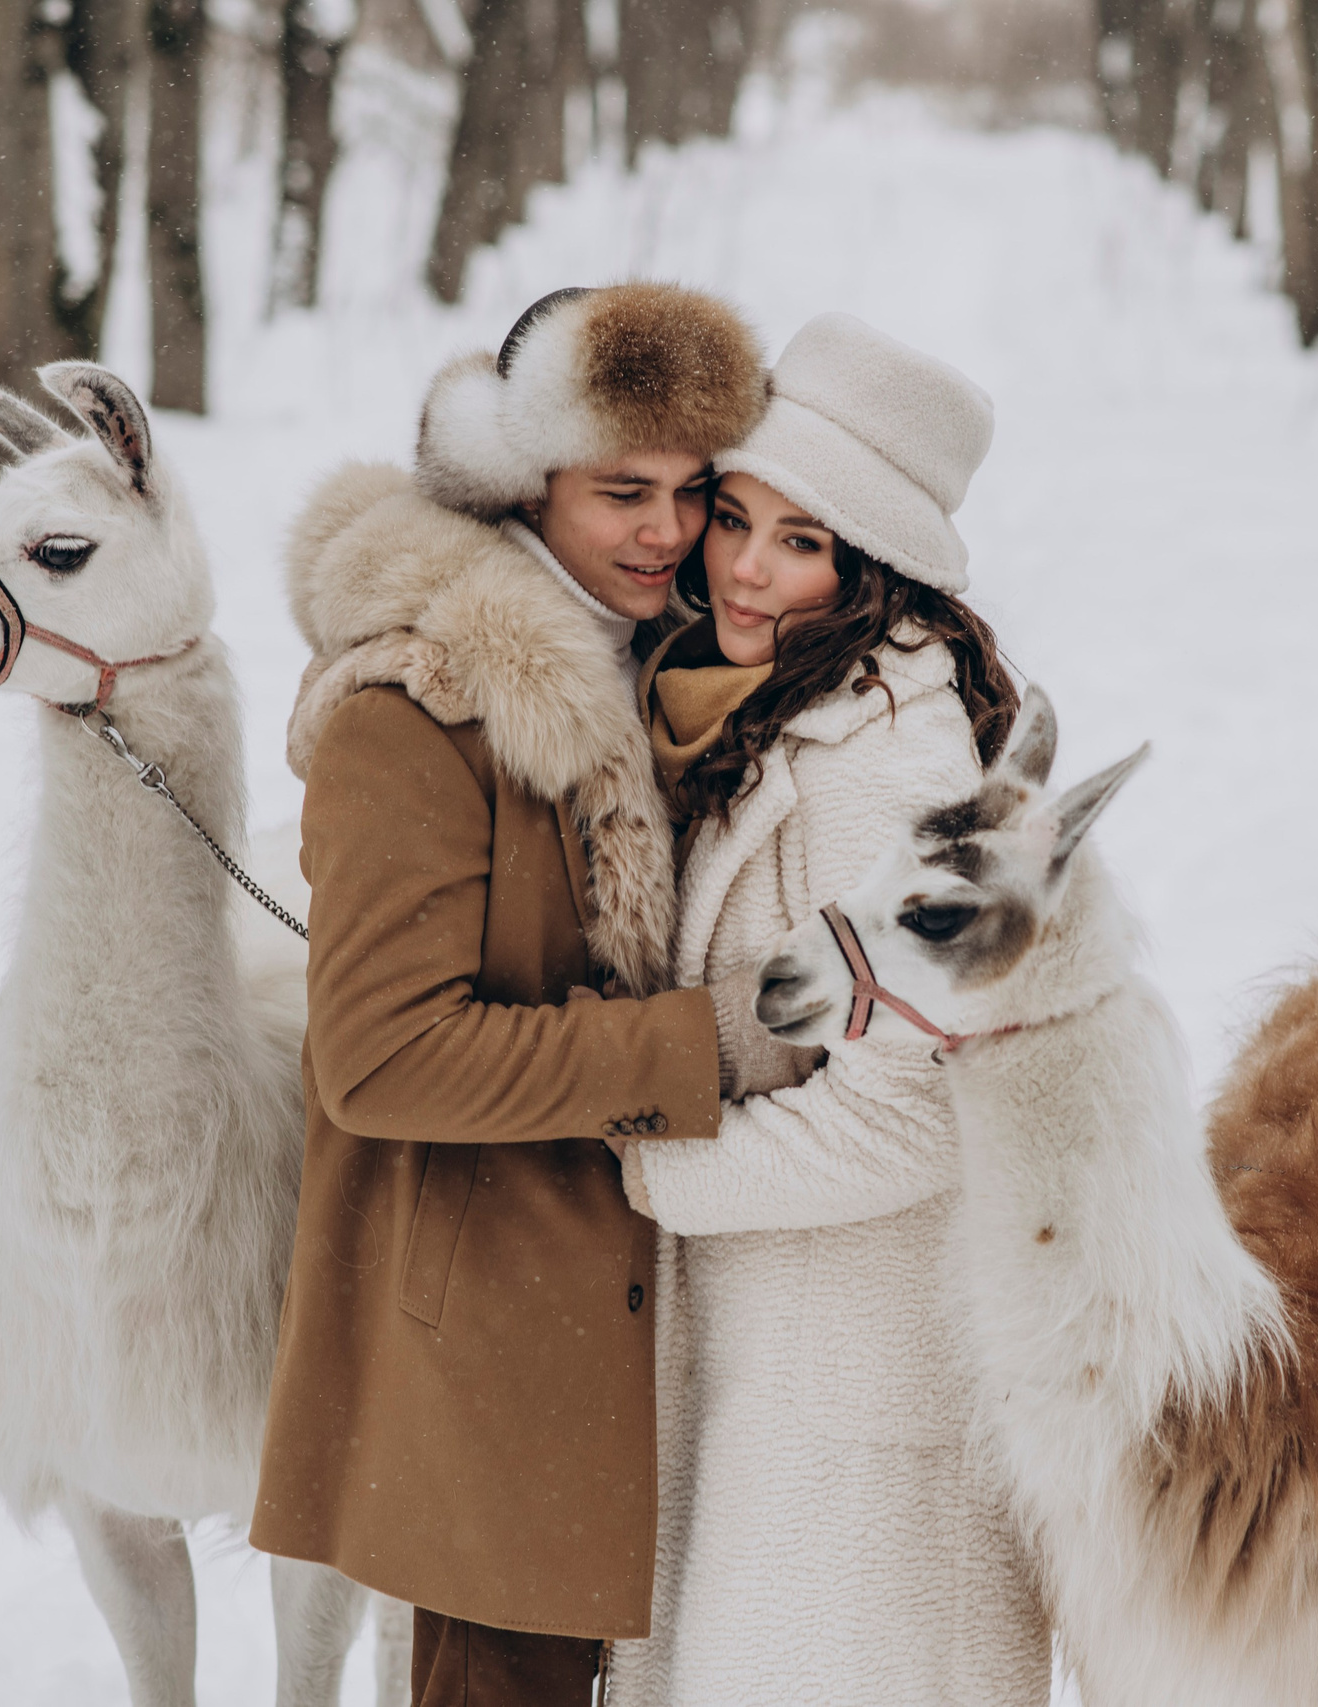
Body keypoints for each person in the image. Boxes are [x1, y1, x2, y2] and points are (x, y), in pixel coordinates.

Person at [251, 283, 809, 1707]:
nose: (668, 533)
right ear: (523, 482)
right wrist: (706, 1046)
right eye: (623, 491)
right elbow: (382, 1058)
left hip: (641, 1306)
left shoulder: (665, 664)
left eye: (696, 493)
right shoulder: (416, 706)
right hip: (496, 1341)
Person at [604, 313, 1054, 1706]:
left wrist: (641, 1168)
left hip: (855, 1387)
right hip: (773, 1357)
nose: (743, 566)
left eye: (799, 541)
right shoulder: (758, 703)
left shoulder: (888, 767)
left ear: (871, 566)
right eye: (735, 517)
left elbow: (909, 1122)